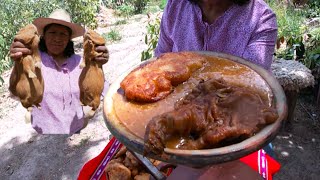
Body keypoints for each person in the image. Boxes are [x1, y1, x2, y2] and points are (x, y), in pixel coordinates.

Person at [154, 0, 279, 179]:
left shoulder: (261, 18)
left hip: (239, 129)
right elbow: (160, 62)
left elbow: (250, 89)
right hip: (174, 118)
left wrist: (193, 152)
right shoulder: (176, 6)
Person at [9, 9, 109, 134]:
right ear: (43, 36)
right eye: (52, 32)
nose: (57, 38)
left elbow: (101, 89)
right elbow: (15, 90)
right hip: (43, 134)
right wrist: (18, 62)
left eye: (63, 34)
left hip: (77, 129)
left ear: (69, 39)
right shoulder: (33, 60)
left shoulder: (80, 62)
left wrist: (98, 64)